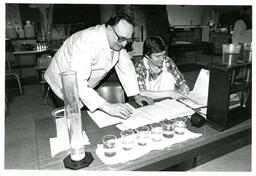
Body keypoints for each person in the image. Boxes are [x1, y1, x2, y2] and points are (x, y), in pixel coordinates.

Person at [44, 14, 154, 119]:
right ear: (110, 30)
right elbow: (77, 82)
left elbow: (126, 68)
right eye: (121, 39)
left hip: (83, 84)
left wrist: (136, 95)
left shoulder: (117, 40)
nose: (124, 44)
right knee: (72, 120)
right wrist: (108, 106)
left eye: (128, 40)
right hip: (61, 83)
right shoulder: (85, 41)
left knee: (88, 116)